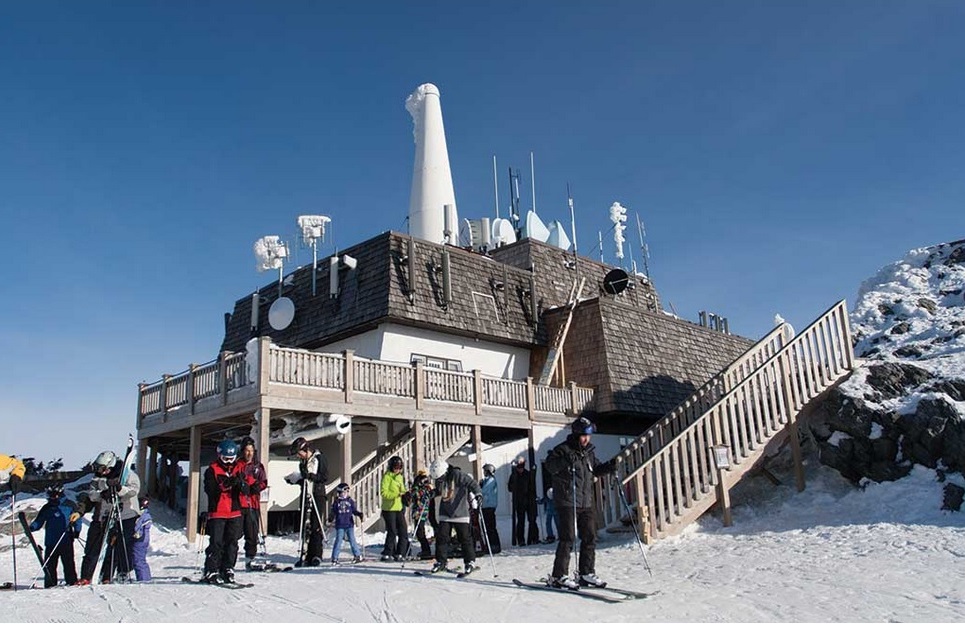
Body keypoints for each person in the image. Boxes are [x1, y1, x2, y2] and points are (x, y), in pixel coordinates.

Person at [544, 416, 615, 590]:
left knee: (590, 536)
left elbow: (596, 470)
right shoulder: (563, 449)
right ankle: (559, 575)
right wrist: (566, 459)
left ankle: (586, 573)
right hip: (568, 500)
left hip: (586, 500)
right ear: (576, 434)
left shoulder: (589, 452)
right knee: (567, 538)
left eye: (588, 436)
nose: (586, 439)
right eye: (583, 435)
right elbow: (550, 467)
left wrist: (609, 467)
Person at [78, 450, 141, 585]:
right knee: (94, 546)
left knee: (120, 546)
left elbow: (134, 491)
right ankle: (87, 575)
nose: (101, 471)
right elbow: (92, 494)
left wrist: (119, 489)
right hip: (104, 515)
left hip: (125, 515)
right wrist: (102, 494)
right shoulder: (97, 478)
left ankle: (121, 572)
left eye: (103, 469)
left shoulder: (128, 475)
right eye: (98, 468)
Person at [427, 458, 482, 576]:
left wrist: (478, 494)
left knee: (464, 538)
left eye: (440, 478)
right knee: (441, 538)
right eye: (438, 479)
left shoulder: (457, 475)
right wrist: (433, 493)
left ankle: (469, 562)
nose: (439, 480)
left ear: (445, 472)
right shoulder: (439, 479)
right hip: (445, 513)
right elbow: (440, 491)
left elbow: (472, 483)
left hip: (460, 512)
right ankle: (441, 561)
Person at [202, 440, 244, 584]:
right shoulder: (212, 470)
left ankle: (228, 568)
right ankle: (211, 569)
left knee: (232, 542)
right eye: (225, 459)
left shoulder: (239, 468)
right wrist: (226, 484)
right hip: (218, 512)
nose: (228, 462)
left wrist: (241, 484)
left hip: (234, 511)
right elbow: (210, 490)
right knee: (216, 542)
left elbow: (245, 490)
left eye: (231, 459)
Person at [285, 436, 328, 566]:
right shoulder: (302, 463)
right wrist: (295, 480)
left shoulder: (319, 458)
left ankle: (316, 554)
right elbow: (304, 479)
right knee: (305, 525)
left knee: (315, 525)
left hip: (317, 494)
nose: (299, 456)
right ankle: (305, 554)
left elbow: (324, 476)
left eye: (300, 453)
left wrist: (313, 476)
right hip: (306, 494)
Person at [28, 485, 81, 587]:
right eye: (51, 495)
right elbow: (39, 521)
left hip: (65, 540)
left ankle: (72, 582)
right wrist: (32, 528)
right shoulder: (47, 507)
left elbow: (77, 519)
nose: (53, 497)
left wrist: (77, 531)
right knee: (50, 565)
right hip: (51, 541)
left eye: (55, 495)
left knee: (68, 563)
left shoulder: (69, 504)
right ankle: (50, 584)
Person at [238, 436, 268, 570]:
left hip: (253, 504)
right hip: (239, 504)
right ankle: (227, 560)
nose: (249, 453)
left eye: (251, 450)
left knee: (252, 534)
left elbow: (263, 482)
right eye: (246, 450)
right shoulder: (238, 464)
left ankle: (250, 559)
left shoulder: (257, 465)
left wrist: (258, 486)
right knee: (234, 534)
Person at [380, 455, 408, 561]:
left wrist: (406, 495)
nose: (397, 469)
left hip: (399, 507)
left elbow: (403, 490)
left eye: (399, 467)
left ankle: (401, 552)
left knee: (403, 530)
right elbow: (384, 493)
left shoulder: (400, 477)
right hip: (389, 508)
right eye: (395, 467)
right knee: (392, 530)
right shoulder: (387, 477)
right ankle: (388, 552)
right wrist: (396, 494)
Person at [328, 483, 364, 564]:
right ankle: (335, 558)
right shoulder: (337, 502)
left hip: (349, 524)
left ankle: (357, 555)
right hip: (340, 524)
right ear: (339, 493)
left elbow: (354, 510)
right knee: (338, 541)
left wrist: (359, 514)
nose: (345, 494)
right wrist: (331, 516)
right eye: (343, 492)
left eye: (347, 492)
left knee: (352, 540)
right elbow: (333, 511)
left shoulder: (350, 501)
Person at [507, 456, 538, 546]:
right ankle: (521, 540)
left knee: (532, 520)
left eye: (521, 467)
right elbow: (509, 488)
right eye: (519, 468)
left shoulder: (528, 474)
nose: (520, 469)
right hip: (519, 502)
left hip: (528, 500)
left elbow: (532, 487)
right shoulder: (513, 475)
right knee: (520, 521)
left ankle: (533, 537)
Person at [409, 469, 436, 559]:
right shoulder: (418, 485)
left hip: (421, 510)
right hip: (419, 510)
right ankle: (425, 549)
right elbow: (414, 494)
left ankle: (426, 550)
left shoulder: (426, 486)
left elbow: (422, 496)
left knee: (419, 531)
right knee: (419, 531)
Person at [479, 463, 501, 554]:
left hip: (489, 506)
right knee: (486, 527)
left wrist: (479, 487)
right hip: (485, 506)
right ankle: (489, 545)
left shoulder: (491, 480)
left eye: (485, 471)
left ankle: (494, 546)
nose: (483, 472)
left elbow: (484, 491)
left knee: (490, 527)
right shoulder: (486, 480)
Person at [131, 496, 152, 581]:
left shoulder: (143, 515)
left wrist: (134, 533)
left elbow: (138, 527)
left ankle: (143, 579)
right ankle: (145, 578)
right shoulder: (145, 514)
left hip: (140, 540)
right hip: (143, 540)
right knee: (140, 559)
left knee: (138, 560)